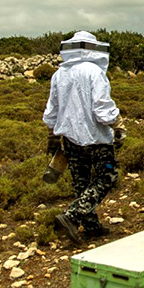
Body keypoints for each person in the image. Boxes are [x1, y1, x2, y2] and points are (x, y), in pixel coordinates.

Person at [43, 31, 125, 244]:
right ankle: (72, 216)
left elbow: (52, 110)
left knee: (81, 181)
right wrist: (118, 124)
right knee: (108, 176)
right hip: (96, 137)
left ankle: (91, 227)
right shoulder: (94, 72)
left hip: (69, 139)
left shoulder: (59, 74)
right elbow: (102, 108)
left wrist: (52, 137)